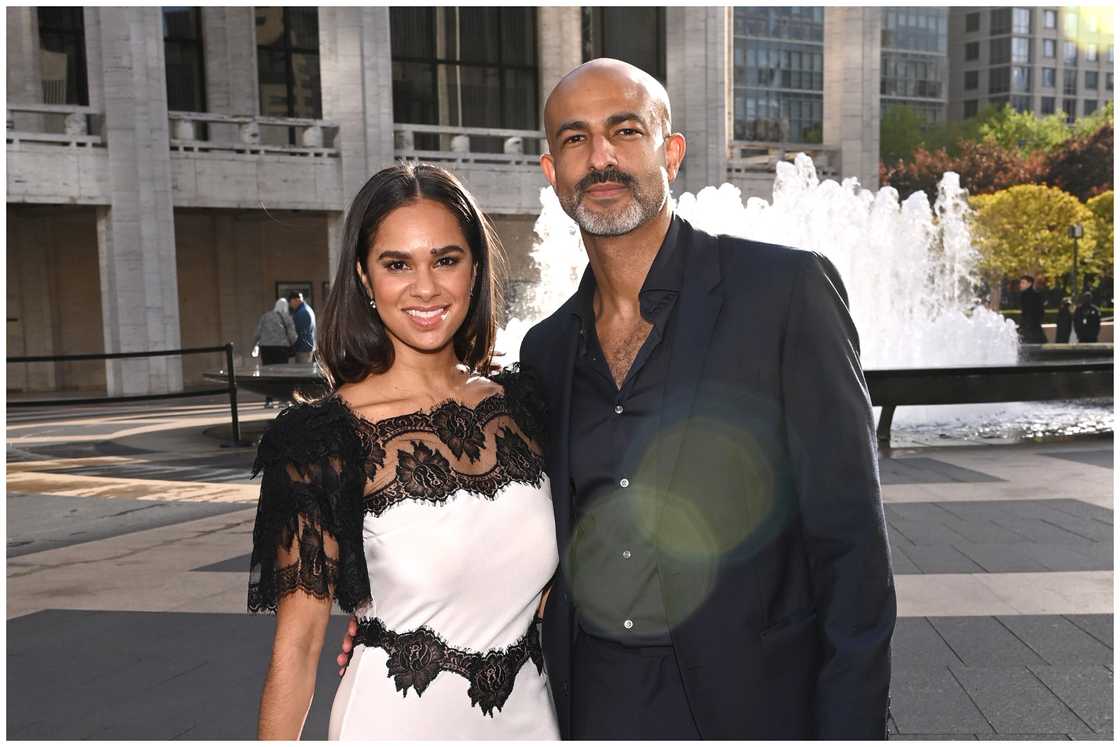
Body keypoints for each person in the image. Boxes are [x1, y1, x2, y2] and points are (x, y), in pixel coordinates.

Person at [338, 58, 895, 740]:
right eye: (575, 139)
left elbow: (852, 547)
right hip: (588, 707)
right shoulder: (544, 353)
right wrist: (390, 611)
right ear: (552, 174)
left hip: (754, 704)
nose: (600, 157)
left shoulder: (782, 294)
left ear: (671, 151)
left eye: (625, 130)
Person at [249, 162, 559, 740]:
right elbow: (297, 649)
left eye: (446, 259)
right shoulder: (322, 443)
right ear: (366, 278)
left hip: (532, 723)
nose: (425, 287)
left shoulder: (525, 407)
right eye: (397, 264)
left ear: (475, 269)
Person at [254, 298, 299, 407]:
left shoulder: (265, 316)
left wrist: (255, 344)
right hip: (281, 349)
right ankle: (283, 400)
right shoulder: (286, 317)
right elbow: (292, 336)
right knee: (282, 374)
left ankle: (268, 401)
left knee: (268, 374)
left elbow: (257, 332)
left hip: (266, 348)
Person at [287, 291, 317, 363]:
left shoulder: (302, 312)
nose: (291, 305)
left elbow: (298, 332)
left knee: (302, 371)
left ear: (296, 300)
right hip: (307, 347)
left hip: (303, 348)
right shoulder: (306, 309)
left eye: (291, 303)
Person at [1018, 275, 1046, 344]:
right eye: (1020, 283)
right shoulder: (1033, 295)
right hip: (1033, 330)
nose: (1020, 285)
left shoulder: (1028, 295)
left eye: (1023, 283)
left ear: (1029, 284)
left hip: (1030, 331)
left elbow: (1028, 314)